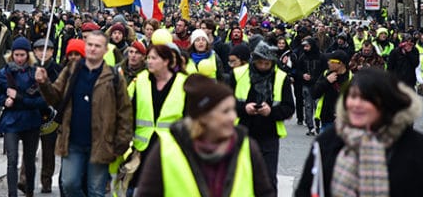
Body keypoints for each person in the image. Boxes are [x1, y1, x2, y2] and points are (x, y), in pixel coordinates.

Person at [296, 68, 423, 197]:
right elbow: (305, 191)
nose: (356, 104)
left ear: (386, 103)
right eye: (353, 96)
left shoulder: (419, 148)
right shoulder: (329, 141)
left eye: (366, 99)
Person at [135, 73, 275, 196]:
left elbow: (265, 193)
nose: (233, 117)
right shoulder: (167, 150)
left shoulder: (246, 147)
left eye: (233, 109)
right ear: (203, 117)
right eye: (225, 111)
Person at [35, 30, 133, 197]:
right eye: (90, 45)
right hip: (73, 141)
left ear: (105, 50)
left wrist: (121, 142)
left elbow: (124, 111)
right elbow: (55, 97)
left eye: (97, 46)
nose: (93, 49)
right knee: (69, 183)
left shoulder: (113, 76)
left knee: (95, 190)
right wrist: (44, 83)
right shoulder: (72, 70)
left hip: (101, 142)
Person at [233, 40, 294, 190]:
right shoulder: (238, 74)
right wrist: (244, 108)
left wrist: (271, 112)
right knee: (241, 177)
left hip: (269, 135)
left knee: (267, 179)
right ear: (254, 61)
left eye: (267, 64)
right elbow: (226, 102)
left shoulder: (281, 77)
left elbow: (289, 108)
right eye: (260, 63)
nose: (263, 67)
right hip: (242, 132)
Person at [127, 43, 188, 191]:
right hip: (142, 148)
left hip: (171, 149)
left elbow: (189, 119)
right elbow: (131, 112)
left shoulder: (183, 83)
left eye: (154, 58)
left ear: (166, 61)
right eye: (148, 58)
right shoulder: (141, 80)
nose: (149, 61)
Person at [0, 37, 46, 197]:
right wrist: (3, 101)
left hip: (31, 121)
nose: (19, 58)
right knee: (12, 160)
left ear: (28, 55)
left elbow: (42, 101)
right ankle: (11, 193)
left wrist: (20, 98)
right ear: (12, 55)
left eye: (22, 55)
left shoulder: (35, 72)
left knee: (29, 160)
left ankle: (29, 191)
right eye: (16, 55)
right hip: (11, 121)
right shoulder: (5, 72)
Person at [18, 37, 62, 194]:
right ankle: (24, 179)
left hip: (51, 116)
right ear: (34, 52)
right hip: (32, 114)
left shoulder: (57, 69)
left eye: (46, 49)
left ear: (52, 52)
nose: (42, 53)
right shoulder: (28, 68)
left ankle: (46, 180)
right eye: (39, 49)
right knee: (29, 149)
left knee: (48, 151)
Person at [312, 50, 351, 132]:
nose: (328, 62)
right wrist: (326, 81)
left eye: (332, 61)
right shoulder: (326, 74)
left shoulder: (351, 78)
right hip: (326, 121)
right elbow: (314, 94)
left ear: (340, 63)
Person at [297, 37, 324, 136]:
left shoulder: (321, 57)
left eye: (307, 46)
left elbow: (325, 70)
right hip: (307, 85)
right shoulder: (302, 57)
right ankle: (310, 127)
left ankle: (319, 126)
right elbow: (298, 70)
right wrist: (303, 75)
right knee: (308, 106)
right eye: (304, 46)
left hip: (318, 85)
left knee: (318, 106)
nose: (305, 48)